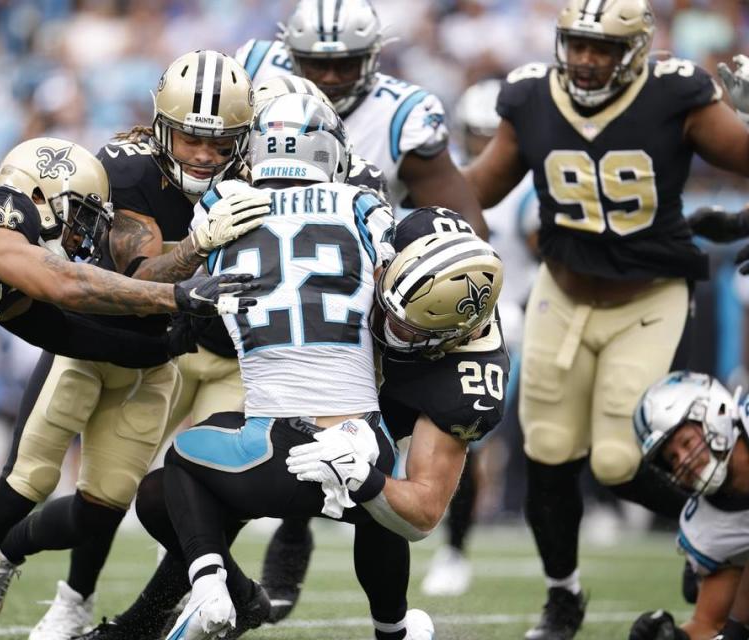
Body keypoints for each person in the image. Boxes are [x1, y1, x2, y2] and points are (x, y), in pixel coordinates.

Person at [77, 99, 508, 640]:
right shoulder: (365, 207)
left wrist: (200, 243)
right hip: (363, 437)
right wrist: (370, 475)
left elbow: (181, 278)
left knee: (178, 471)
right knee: (381, 511)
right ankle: (392, 629)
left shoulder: (222, 201)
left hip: (268, 450)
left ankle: (212, 587)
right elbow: (415, 517)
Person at [0, 135, 258, 639]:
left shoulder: (251, 183)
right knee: (23, 485)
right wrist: (188, 269)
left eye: (219, 143)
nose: (203, 154)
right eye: (193, 138)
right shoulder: (112, 173)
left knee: (102, 509)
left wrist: (165, 347)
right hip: (86, 350)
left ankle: (11, 549)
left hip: (151, 361)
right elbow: (87, 292)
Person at [462, 0, 749, 637]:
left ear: (636, 51)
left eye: (604, 48)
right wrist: (403, 195)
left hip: (647, 297)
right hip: (560, 294)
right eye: (578, 44)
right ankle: (563, 594)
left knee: (620, 462)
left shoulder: (678, 95)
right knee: (548, 448)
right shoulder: (532, 97)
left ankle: (715, 539)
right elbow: (474, 189)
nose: (588, 60)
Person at [421, 77, 541, 599]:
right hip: (439, 327)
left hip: (507, 328)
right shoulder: (436, 180)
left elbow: (547, 262)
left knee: (468, 439)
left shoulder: (531, 189)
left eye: (493, 135)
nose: (484, 147)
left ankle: (457, 546)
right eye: (476, 134)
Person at [235, 0, 484, 225]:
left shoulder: (404, 115)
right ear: (292, 55)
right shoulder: (255, 67)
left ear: (372, 57)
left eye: (346, 64)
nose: (330, 77)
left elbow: (460, 222)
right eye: (317, 64)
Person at [627, 371, 749, 640]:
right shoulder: (706, 524)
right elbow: (708, 623)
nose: (683, 461)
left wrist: (737, 631)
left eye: (686, 442)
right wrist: (675, 638)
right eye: (672, 458)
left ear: (714, 412)